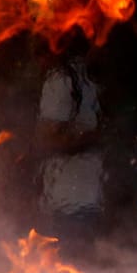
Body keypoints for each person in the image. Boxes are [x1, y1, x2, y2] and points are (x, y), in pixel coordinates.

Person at [33, 35, 106, 251]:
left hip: (72, 197)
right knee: (74, 265)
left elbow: (46, 139)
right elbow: (48, 139)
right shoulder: (76, 78)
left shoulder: (63, 80)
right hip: (78, 195)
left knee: (71, 265)